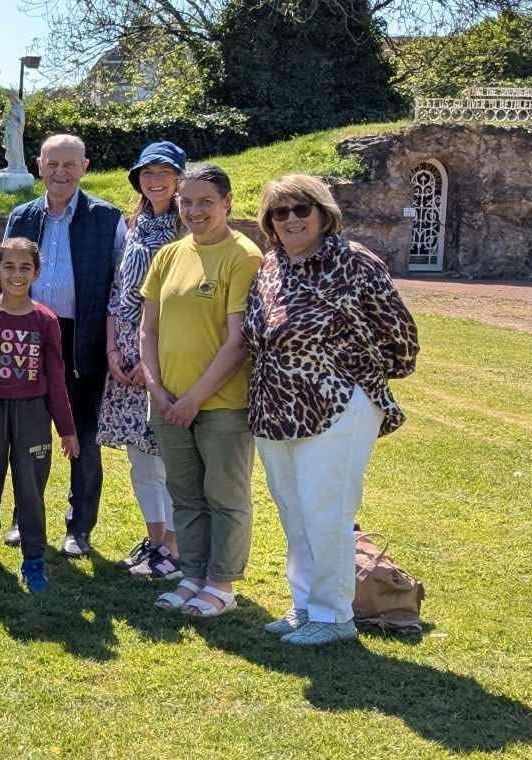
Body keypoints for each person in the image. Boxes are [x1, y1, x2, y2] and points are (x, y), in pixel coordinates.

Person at [246, 174, 420, 646]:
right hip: (276, 410)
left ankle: (334, 614)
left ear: (323, 213)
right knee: (294, 512)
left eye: (301, 209)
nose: (291, 220)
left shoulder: (352, 261)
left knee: (327, 512)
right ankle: (305, 605)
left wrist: (352, 375)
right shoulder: (270, 267)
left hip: (338, 407)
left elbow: (400, 334)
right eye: (279, 212)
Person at [141, 162, 263, 620]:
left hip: (221, 405)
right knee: (185, 494)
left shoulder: (242, 255)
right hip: (168, 401)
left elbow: (238, 341)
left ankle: (221, 582)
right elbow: (147, 330)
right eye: (187, 201)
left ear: (227, 203)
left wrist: (194, 398)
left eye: (206, 202)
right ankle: (191, 573)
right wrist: (156, 386)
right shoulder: (169, 255)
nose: (195, 210)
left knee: (225, 495)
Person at [3, 133, 128, 557]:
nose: (60, 172)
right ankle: (24, 518)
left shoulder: (108, 218)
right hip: (28, 334)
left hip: (83, 339)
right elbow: (6, 279)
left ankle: (80, 528)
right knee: (26, 434)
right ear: (39, 165)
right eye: (53, 163)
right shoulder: (21, 217)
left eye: (70, 165)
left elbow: (120, 286)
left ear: (85, 168)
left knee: (84, 437)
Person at [0, 238, 78, 593]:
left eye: (25, 268)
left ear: (37, 273)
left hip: (32, 414)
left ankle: (34, 562)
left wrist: (66, 429)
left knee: (30, 488)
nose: (16, 275)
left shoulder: (46, 321)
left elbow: (56, 378)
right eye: (8, 267)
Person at [100, 140, 188, 580]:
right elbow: (118, 293)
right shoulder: (132, 224)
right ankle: (153, 539)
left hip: (164, 354)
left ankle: (174, 547)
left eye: (164, 173)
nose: (155, 181)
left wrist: (148, 363)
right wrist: (114, 349)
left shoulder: (187, 229)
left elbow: (181, 302)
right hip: (126, 353)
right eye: (147, 173)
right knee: (140, 457)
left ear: (178, 179)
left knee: (167, 455)